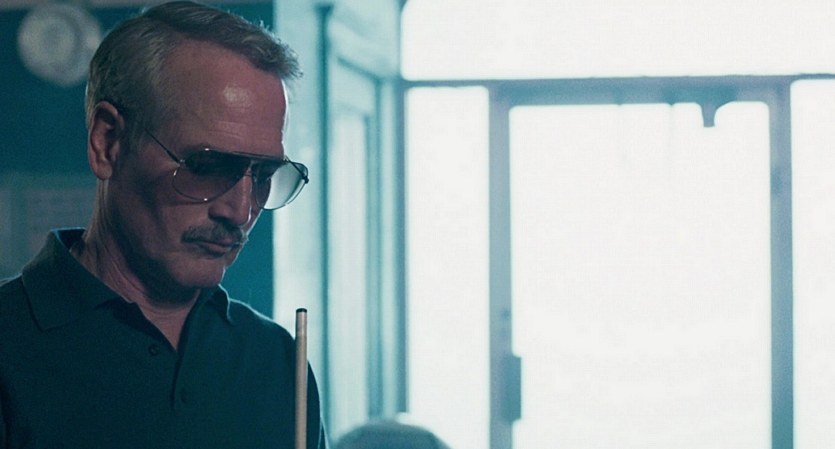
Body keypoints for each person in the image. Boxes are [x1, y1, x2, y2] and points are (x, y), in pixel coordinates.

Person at [0, 1, 327, 448]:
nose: (238, 211)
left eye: (264, 175)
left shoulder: (276, 360)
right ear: (108, 143)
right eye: (206, 167)